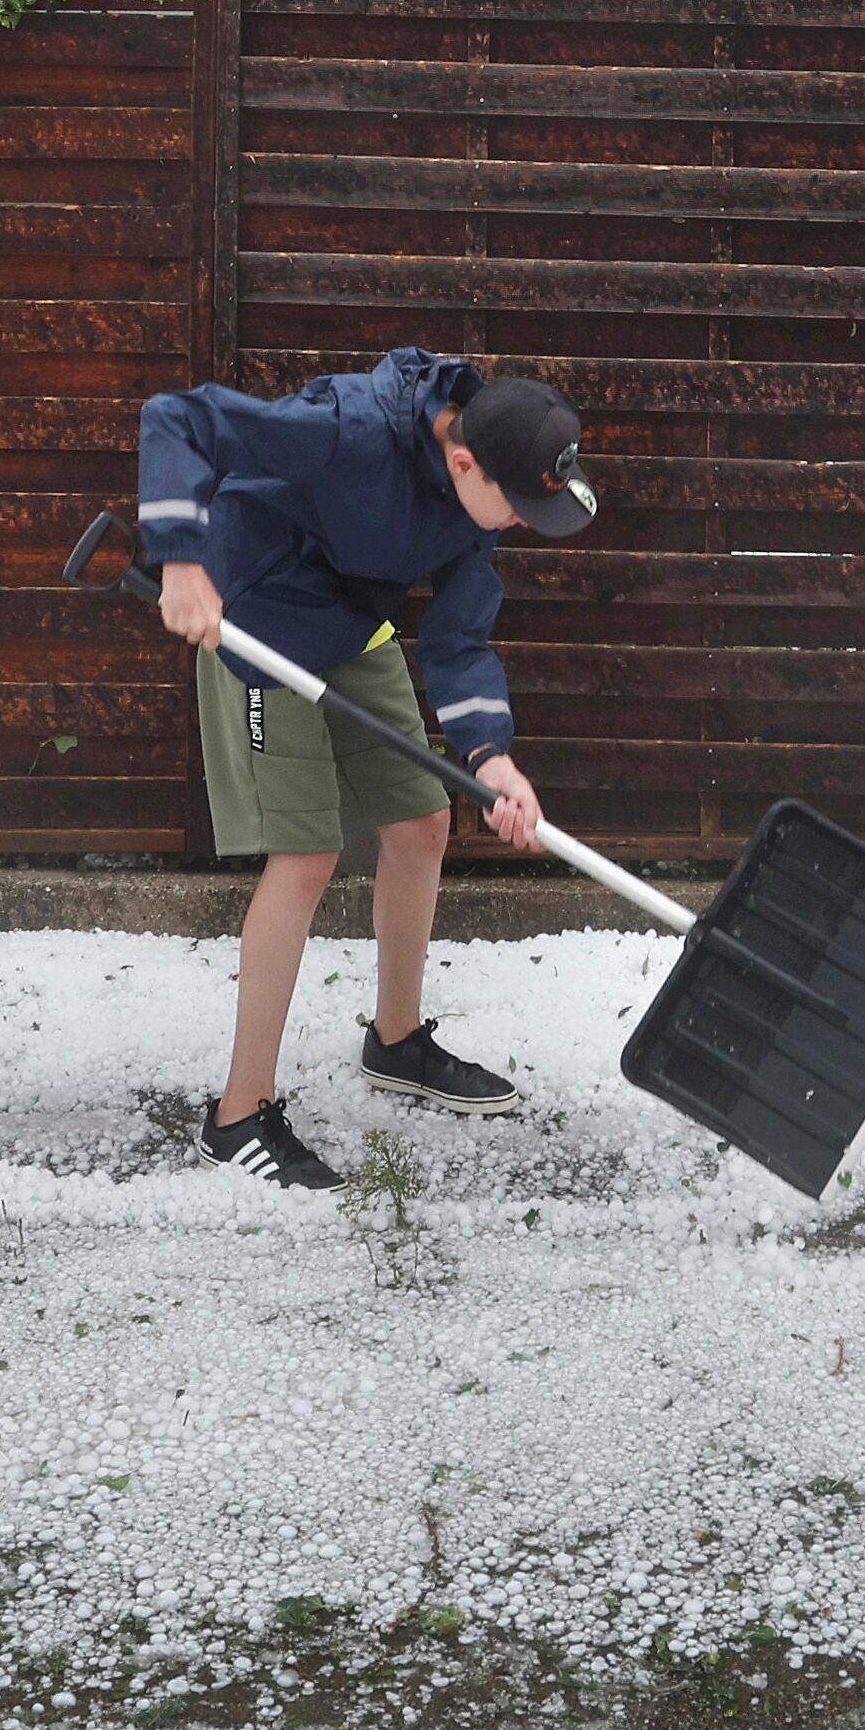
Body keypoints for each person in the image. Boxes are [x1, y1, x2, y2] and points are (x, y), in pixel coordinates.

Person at [135, 350, 600, 1190]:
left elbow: (459, 638)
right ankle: (237, 1115)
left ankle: (395, 1040)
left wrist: (492, 756)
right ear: (465, 461)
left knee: (423, 820)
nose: (523, 522)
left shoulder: (473, 505)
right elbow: (180, 417)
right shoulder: (347, 430)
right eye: (519, 503)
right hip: (256, 623)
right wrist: (180, 557)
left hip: (351, 623)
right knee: (308, 854)